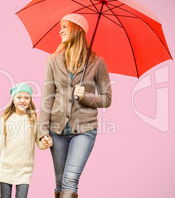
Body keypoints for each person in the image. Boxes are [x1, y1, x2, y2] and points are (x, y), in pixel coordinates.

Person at [36, 14, 112, 198]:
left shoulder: (97, 62)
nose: (60, 30)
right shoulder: (53, 60)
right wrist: (42, 132)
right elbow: (47, 98)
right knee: (60, 183)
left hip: (85, 130)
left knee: (70, 182)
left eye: (64, 26)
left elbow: (106, 99)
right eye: (60, 27)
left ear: (78, 30)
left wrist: (85, 96)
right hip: (57, 130)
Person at [0, 82, 53, 198]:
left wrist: (45, 143)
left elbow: (39, 143)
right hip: (6, 167)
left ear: (30, 100)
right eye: (19, 97)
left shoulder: (34, 120)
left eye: (26, 98)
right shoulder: (6, 119)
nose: (22, 100)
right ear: (13, 100)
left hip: (25, 169)